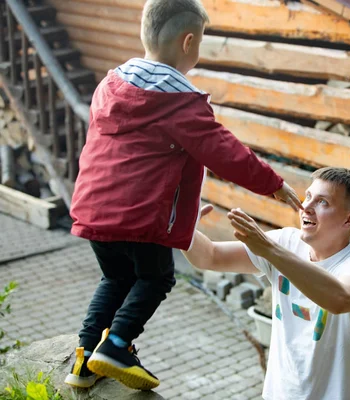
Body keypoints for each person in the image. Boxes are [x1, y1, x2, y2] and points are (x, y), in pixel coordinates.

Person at [64, 0, 302, 391]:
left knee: (116, 278)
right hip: (141, 219)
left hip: (93, 209)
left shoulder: (111, 86)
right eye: (201, 41)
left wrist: (185, 210)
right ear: (188, 41)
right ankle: (117, 345)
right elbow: (225, 152)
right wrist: (273, 184)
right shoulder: (178, 101)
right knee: (156, 279)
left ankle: (84, 360)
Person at [183, 167, 350, 400]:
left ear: (349, 219)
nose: (306, 207)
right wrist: (180, 226)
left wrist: (269, 250)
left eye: (323, 202)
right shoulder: (285, 242)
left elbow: (340, 299)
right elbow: (210, 256)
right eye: (308, 196)